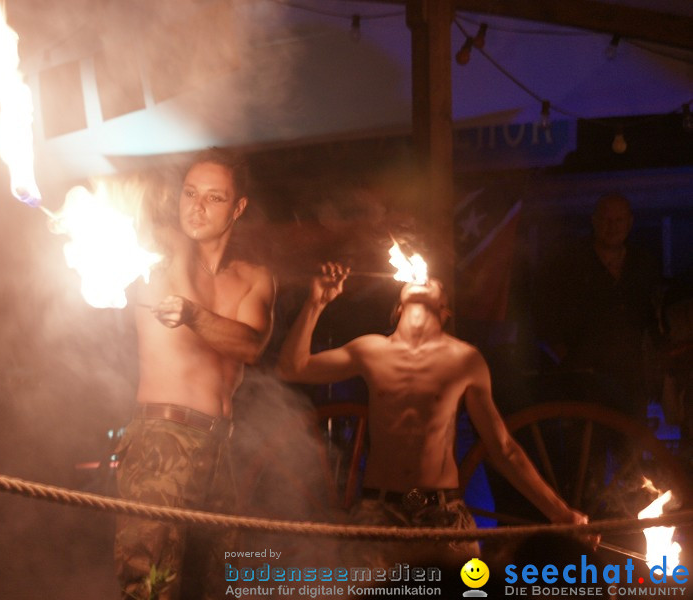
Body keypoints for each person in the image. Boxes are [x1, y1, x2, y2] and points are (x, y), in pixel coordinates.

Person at [276, 263, 586, 570]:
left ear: (444, 309)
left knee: (463, 591)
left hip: (443, 512)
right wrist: (315, 303)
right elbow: (292, 367)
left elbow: (502, 447)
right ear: (398, 307)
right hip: (380, 510)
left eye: (434, 281)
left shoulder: (465, 359)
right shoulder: (370, 350)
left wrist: (559, 512)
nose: (424, 278)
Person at [113, 148, 276, 600]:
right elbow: (114, 228)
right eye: (189, 193)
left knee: (215, 588)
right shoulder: (156, 254)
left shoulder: (252, 278)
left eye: (214, 197)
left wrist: (192, 314)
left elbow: (251, 345)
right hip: (160, 441)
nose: (197, 206)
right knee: (150, 587)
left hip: (221, 448)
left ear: (238, 207)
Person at [534, 192, 660, 418]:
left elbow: (653, 317)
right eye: (606, 220)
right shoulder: (569, 263)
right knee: (587, 447)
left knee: (631, 444)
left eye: (619, 220)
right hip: (583, 379)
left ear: (630, 222)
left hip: (630, 379)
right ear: (594, 220)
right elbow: (545, 317)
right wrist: (568, 361)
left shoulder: (643, 264)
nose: (612, 227)